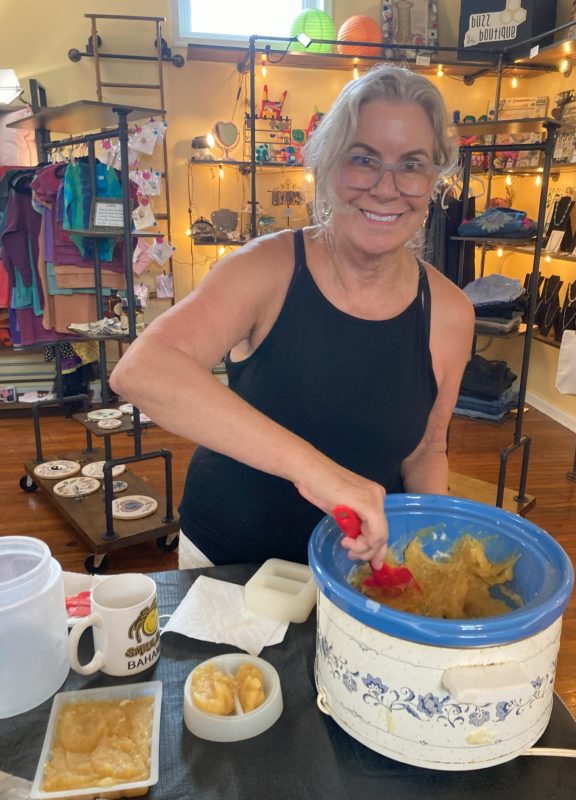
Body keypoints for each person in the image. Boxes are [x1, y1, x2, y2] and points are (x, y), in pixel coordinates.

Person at [110, 64, 474, 570]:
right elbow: (142, 371)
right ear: (326, 166)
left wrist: (430, 548)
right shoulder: (264, 269)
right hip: (231, 562)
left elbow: (427, 448)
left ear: (434, 180)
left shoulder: (451, 313)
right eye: (363, 159)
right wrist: (319, 474)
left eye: (412, 165)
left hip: (360, 571)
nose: (387, 188)